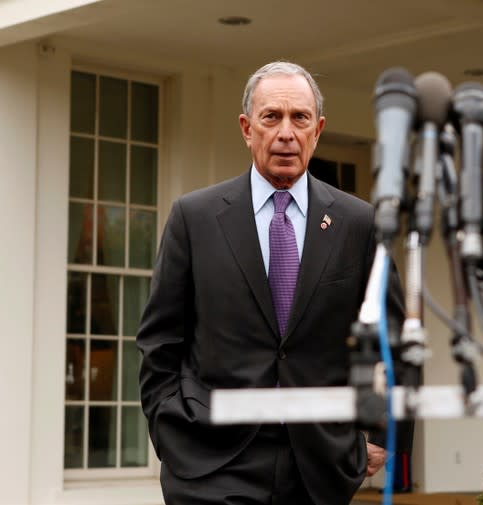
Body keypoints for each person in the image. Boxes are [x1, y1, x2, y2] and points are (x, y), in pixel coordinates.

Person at [137, 61, 405, 505]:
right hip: (210, 462)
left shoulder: (360, 223)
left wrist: (379, 433)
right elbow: (160, 340)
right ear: (247, 128)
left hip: (320, 465)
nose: (286, 132)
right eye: (271, 117)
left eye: (299, 118)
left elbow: (388, 339)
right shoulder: (195, 217)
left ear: (317, 130)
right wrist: (170, 429)